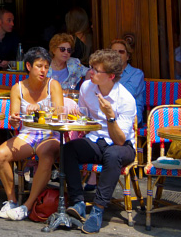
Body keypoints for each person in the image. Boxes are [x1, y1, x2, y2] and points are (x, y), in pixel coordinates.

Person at [62, 49, 137, 233]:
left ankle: (98, 210)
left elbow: (120, 140)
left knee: (112, 155)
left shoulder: (126, 99)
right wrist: (74, 117)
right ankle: (78, 202)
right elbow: (84, 117)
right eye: (91, 68)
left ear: (111, 76)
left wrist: (110, 117)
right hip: (95, 139)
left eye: (96, 70)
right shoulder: (87, 87)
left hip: (122, 145)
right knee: (68, 149)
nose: (91, 72)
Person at [0, 47, 64, 220]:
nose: (43, 70)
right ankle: (11, 201)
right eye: (39, 66)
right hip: (28, 133)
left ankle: (28, 205)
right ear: (28, 66)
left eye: (46, 67)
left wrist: (40, 107)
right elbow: (15, 116)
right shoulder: (17, 88)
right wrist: (13, 121)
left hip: (50, 133)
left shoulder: (52, 84)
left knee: (46, 155)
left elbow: (59, 109)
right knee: (0, 154)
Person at [109, 39, 147, 124]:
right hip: (108, 115)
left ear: (128, 56)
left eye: (121, 52)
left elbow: (127, 94)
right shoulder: (105, 73)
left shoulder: (137, 74)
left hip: (130, 116)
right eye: (114, 52)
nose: (117, 55)